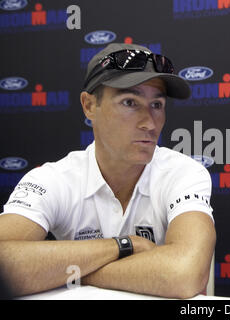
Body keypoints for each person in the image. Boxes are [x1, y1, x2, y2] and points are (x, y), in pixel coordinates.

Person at [0, 43, 216, 299]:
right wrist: (125, 246)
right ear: (89, 106)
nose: (150, 122)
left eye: (157, 105)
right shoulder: (53, 179)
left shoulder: (183, 172)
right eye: (130, 102)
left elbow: (184, 273)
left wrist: (65, 270)